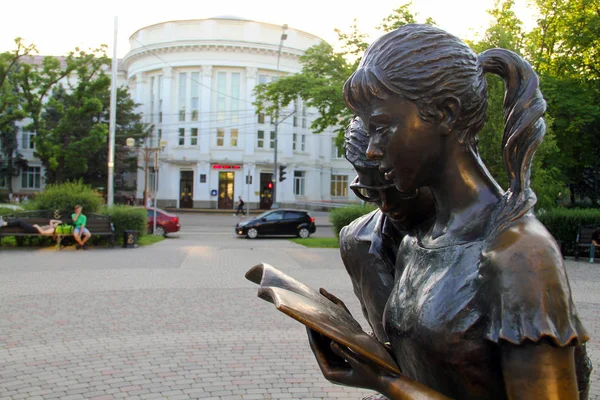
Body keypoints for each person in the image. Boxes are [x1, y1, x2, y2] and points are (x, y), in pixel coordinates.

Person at [307, 24, 590, 400]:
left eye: (381, 127)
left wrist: (386, 383)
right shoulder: (415, 242)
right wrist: (364, 352)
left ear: (444, 113)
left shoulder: (519, 254)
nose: (372, 151)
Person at [339, 116, 434, 343]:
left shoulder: (482, 242)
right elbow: (383, 341)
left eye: (398, 190)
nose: (386, 205)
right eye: (371, 192)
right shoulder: (353, 241)